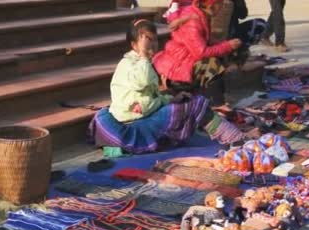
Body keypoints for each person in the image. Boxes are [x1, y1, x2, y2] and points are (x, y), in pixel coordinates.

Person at [88, 19, 245, 154]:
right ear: (134, 44)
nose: (153, 45)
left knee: (186, 100)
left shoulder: (144, 62)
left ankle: (230, 135)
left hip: (145, 114)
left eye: (155, 40)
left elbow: (150, 98)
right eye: (148, 41)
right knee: (195, 105)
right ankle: (234, 138)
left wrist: (171, 99)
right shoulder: (129, 64)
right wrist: (143, 54)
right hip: (134, 122)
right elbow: (141, 81)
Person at [153, 0, 242, 106]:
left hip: (185, 61)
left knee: (228, 54)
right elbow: (201, 52)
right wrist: (227, 46)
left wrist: (225, 45)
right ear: (211, 5)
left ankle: (214, 99)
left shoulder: (200, 15)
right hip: (177, 71)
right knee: (212, 64)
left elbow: (202, 42)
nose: (222, 7)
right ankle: (217, 104)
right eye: (220, 4)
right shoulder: (193, 22)